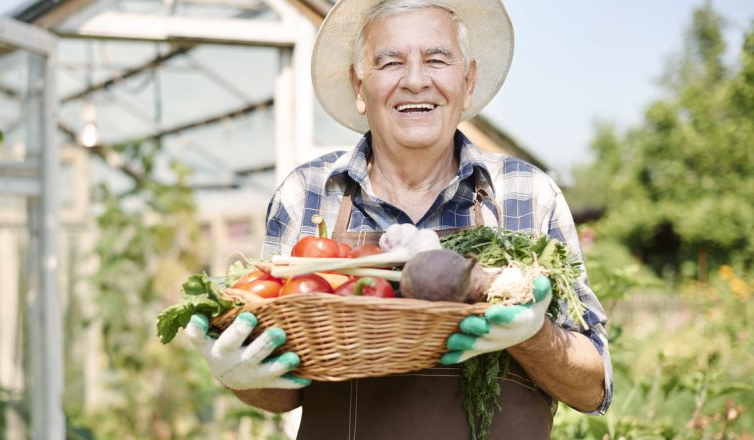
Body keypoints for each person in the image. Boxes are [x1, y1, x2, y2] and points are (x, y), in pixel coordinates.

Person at [184, 0, 613, 437]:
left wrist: (532, 334)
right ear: (359, 85)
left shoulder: (527, 194)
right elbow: (283, 392)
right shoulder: (308, 194)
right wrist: (239, 375)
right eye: (390, 62)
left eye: (437, 59)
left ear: (467, 81)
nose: (414, 81)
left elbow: (593, 388)